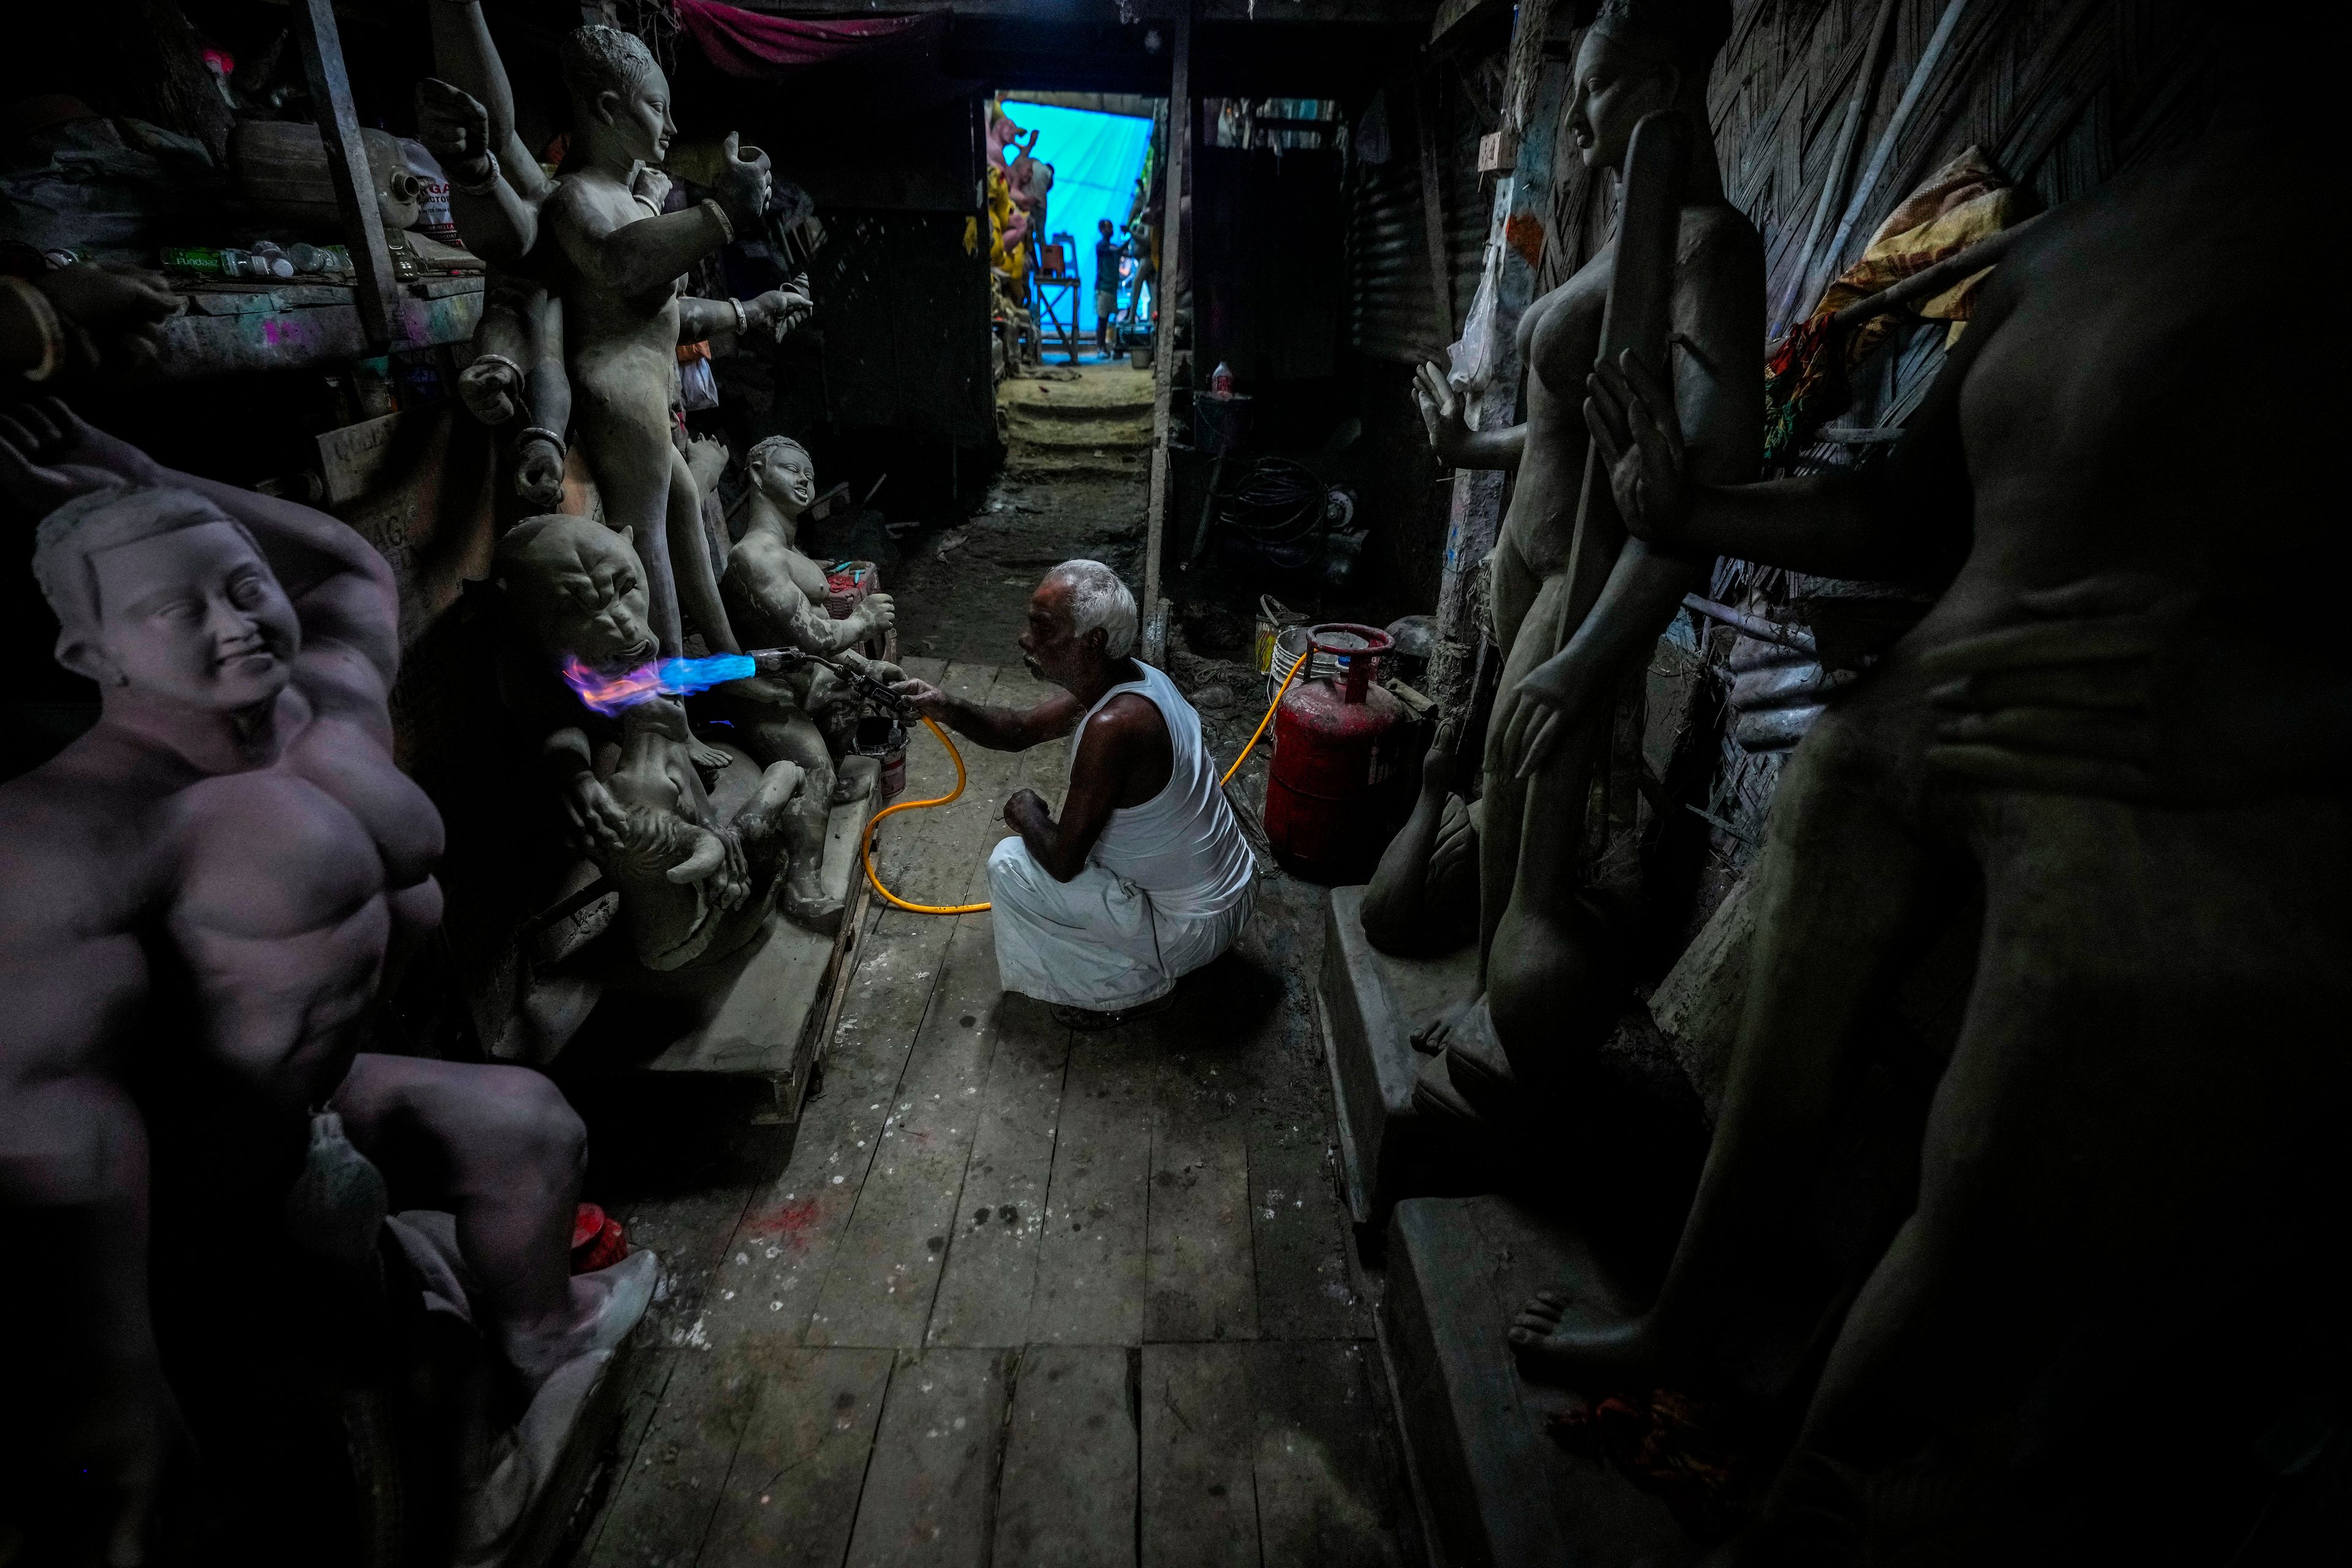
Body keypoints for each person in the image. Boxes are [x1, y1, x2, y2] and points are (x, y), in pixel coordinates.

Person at [1512, 47, 2350, 1558]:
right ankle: (1677, 1330)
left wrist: (2282, 715)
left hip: (2139, 796)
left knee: (1969, 1220)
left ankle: (1806, 1493)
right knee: (1766, 1093)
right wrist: (1691, 509)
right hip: (1911, 723)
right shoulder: (2075, 234)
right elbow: (1897, 502)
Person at [0, 402, 653, 1562]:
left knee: (528, 1130)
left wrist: (153, 470)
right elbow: (61, 1123)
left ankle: (545, 1344)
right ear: (89, 656)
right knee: (375, 1363)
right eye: (170, 609)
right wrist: (114, 1378)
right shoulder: (77, 834)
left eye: (241, 584)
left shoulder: (322, 708)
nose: (234, 623)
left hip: (308, 1105)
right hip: (194, 1186)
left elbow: (346, 563)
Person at [891, 562, 1256, 1027]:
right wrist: (944, 705)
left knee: (1010, 865)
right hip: (1233, 892)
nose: (1026, 639)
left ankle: (1134, 988)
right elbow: (1021, 730)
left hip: (1194, 930)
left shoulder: (1113, 727)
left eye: (1042, 628)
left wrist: (1026, 812)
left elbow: (1065, 863)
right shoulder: (1136, 679)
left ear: (1093, 642)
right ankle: (1144, 957)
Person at [1093, 217, 1126, 355]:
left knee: (1108, 319)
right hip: (1103, 287)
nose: (1110, 230)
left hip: (1111, 288)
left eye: (1111, 227)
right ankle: (1100, 347)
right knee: (1102, 319)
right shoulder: (1102, 246)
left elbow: (1122, 252)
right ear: (1101, 230)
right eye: (1107, 228)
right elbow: (1118, 250)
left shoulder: (1112, 247)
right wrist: (1130, 235)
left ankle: (1106, 346)